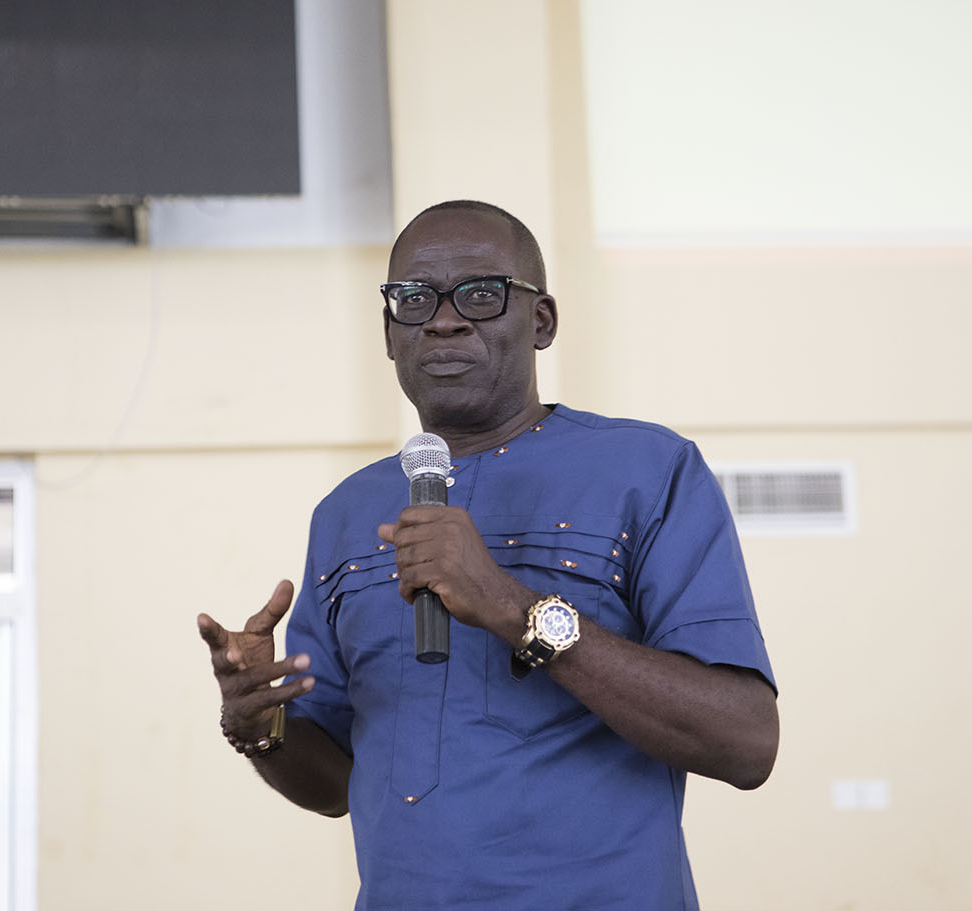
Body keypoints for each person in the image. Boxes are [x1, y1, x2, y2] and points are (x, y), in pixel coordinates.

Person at [197, 200, 778, 910]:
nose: (443, 320)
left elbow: (746, 741)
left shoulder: (648, 471)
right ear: (389, 334)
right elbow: (335, 786)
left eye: (481, 293)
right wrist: (260, 726)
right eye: (414, 298)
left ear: (542, 321)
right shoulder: (345, 514)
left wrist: (509, 605)